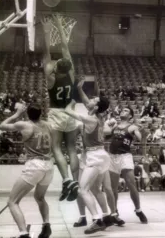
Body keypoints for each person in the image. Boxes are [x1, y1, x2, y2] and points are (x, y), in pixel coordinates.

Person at [64, 92, 124, 234]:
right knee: (96, 189)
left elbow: (68, 111)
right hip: (100, 154)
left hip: (95, 156)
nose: (90, 100)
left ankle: (97, 220)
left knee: (82, 189)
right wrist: (80, 90)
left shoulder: (91, 119)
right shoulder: (98, 117)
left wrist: (72, 100)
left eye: (93, 99)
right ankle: (106, 215)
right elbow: (89, 104)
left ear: (96, 107)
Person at [0, 103, 54, 238]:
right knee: (40, 197)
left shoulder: (24, 125)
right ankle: (46, 225)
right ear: (41, 113)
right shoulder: (48, 125)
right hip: (49, 165)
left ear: (27, 114)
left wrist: (17, 114)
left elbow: (2, 125)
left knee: (12, 202)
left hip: (35, 165)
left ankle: (23, 234)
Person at [41, 14, 79, 201]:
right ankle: (76, 180)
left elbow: (46, 54)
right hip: (70, 113)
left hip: (56, 113)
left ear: (56, 68)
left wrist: (46, 31)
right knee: (72, 147)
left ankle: (66, 180)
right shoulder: (71, 74)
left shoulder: (51, 78)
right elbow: (65, 47)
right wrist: (58, 25)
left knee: (56, 148)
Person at [107, 107, 148, 223]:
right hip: (112, 157)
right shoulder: (114, 126)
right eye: (122, 110)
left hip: (125, 156)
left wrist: (143, 133)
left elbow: (140, 139)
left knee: (131, 185)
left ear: (130, 116)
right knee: (113, 188)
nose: (122, 111)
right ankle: (114, 212)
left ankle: (138, 210)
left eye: (126, 111)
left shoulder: (133, 127)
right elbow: (106, 137)